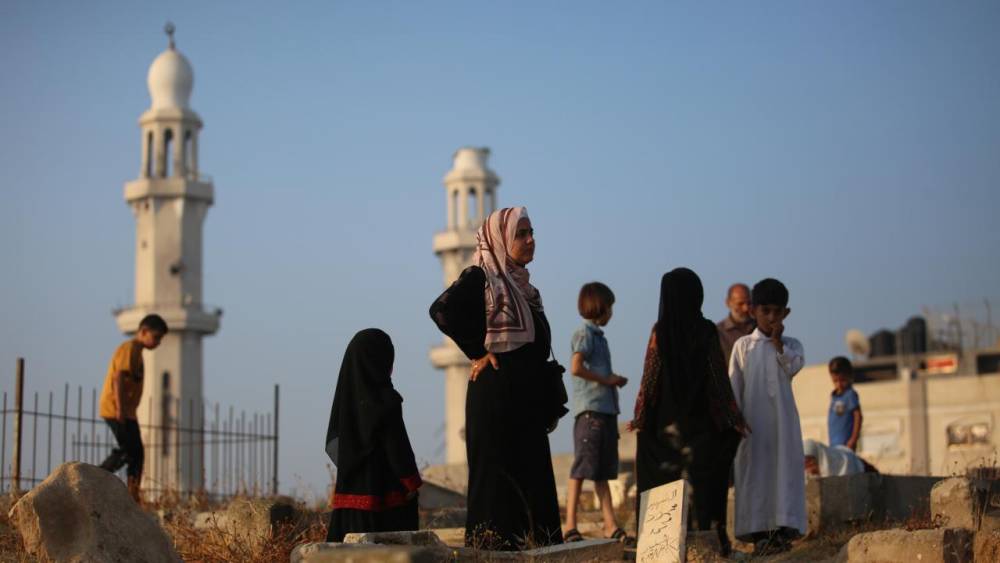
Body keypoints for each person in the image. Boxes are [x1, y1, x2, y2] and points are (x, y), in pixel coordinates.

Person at [429, 206, 566, 550]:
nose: (530, 240)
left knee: (533, 484)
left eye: (532, 232)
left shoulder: (524, 288)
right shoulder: (481, 276)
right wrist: (476, 350)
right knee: (496, 487)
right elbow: (442, 310)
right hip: (497, 400)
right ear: (499, 239)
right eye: (521, 234)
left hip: (526, 403)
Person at [630, 268, 748, 556]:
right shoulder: (707, 331)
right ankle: (712, 545)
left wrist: (640, 418)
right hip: (700, 426)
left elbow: (650, 377)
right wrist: (734, 419)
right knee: (707, 482)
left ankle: (660, 548)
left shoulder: (660, 332)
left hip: (664, 428)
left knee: (659, 479)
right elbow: (718, 378)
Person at [729, 278, 806, 556]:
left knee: (784, 474)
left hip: (783, 426)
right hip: (753, 427)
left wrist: (777, 343)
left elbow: (793, 367)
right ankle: (759, 534)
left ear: (786, 313)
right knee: (756, 477)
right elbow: (734, 388)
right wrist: (735, 421)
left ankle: (783, 531)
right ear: (753, 311)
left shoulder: (792, 346)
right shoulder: (743, 347)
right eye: (766, 311)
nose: (772, 317)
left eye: (777, 312)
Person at [324, 328, 422, 542]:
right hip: (386, 507)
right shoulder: (386, 402)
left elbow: (334, 447)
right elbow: (398, 451)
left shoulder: (345, 406)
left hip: (346, 508)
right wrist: (412, 484)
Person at [562, 282, 628, 544]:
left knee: (602, 472)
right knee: (581, 468)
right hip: (590, 412)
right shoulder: (585, 334)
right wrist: (607, 380)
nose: (611, 313)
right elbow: (576, 367)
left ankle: (610, 524)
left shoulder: (598, 336)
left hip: (604, 411)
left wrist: (610, 380)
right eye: (610, 307)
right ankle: (570, 525)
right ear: (601, 306)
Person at [98, 313, 167, 503]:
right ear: (143, 332)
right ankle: (96, 478)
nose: (158, 342)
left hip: (128, 413)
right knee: (128, 450)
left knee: (137, 453)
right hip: (115, 410)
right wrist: (120, 408)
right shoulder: (129, 349)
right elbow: (118, 377)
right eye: (156, 337)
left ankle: (133, 496)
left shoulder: (139, 353)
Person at [827, 356, 863, 451]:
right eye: (835, 381)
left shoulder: (850, 395)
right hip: (834, 444)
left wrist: (853, 439)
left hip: (846, 444)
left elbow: (858, 416)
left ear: (850, 377)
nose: (839, 384)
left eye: (842, 380)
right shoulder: (834, 397)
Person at [717, 283, 754, 364]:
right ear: (728, 303)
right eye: (740, 304)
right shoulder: (717, 333)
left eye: (749, 303)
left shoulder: (761, 329)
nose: (745, 308)